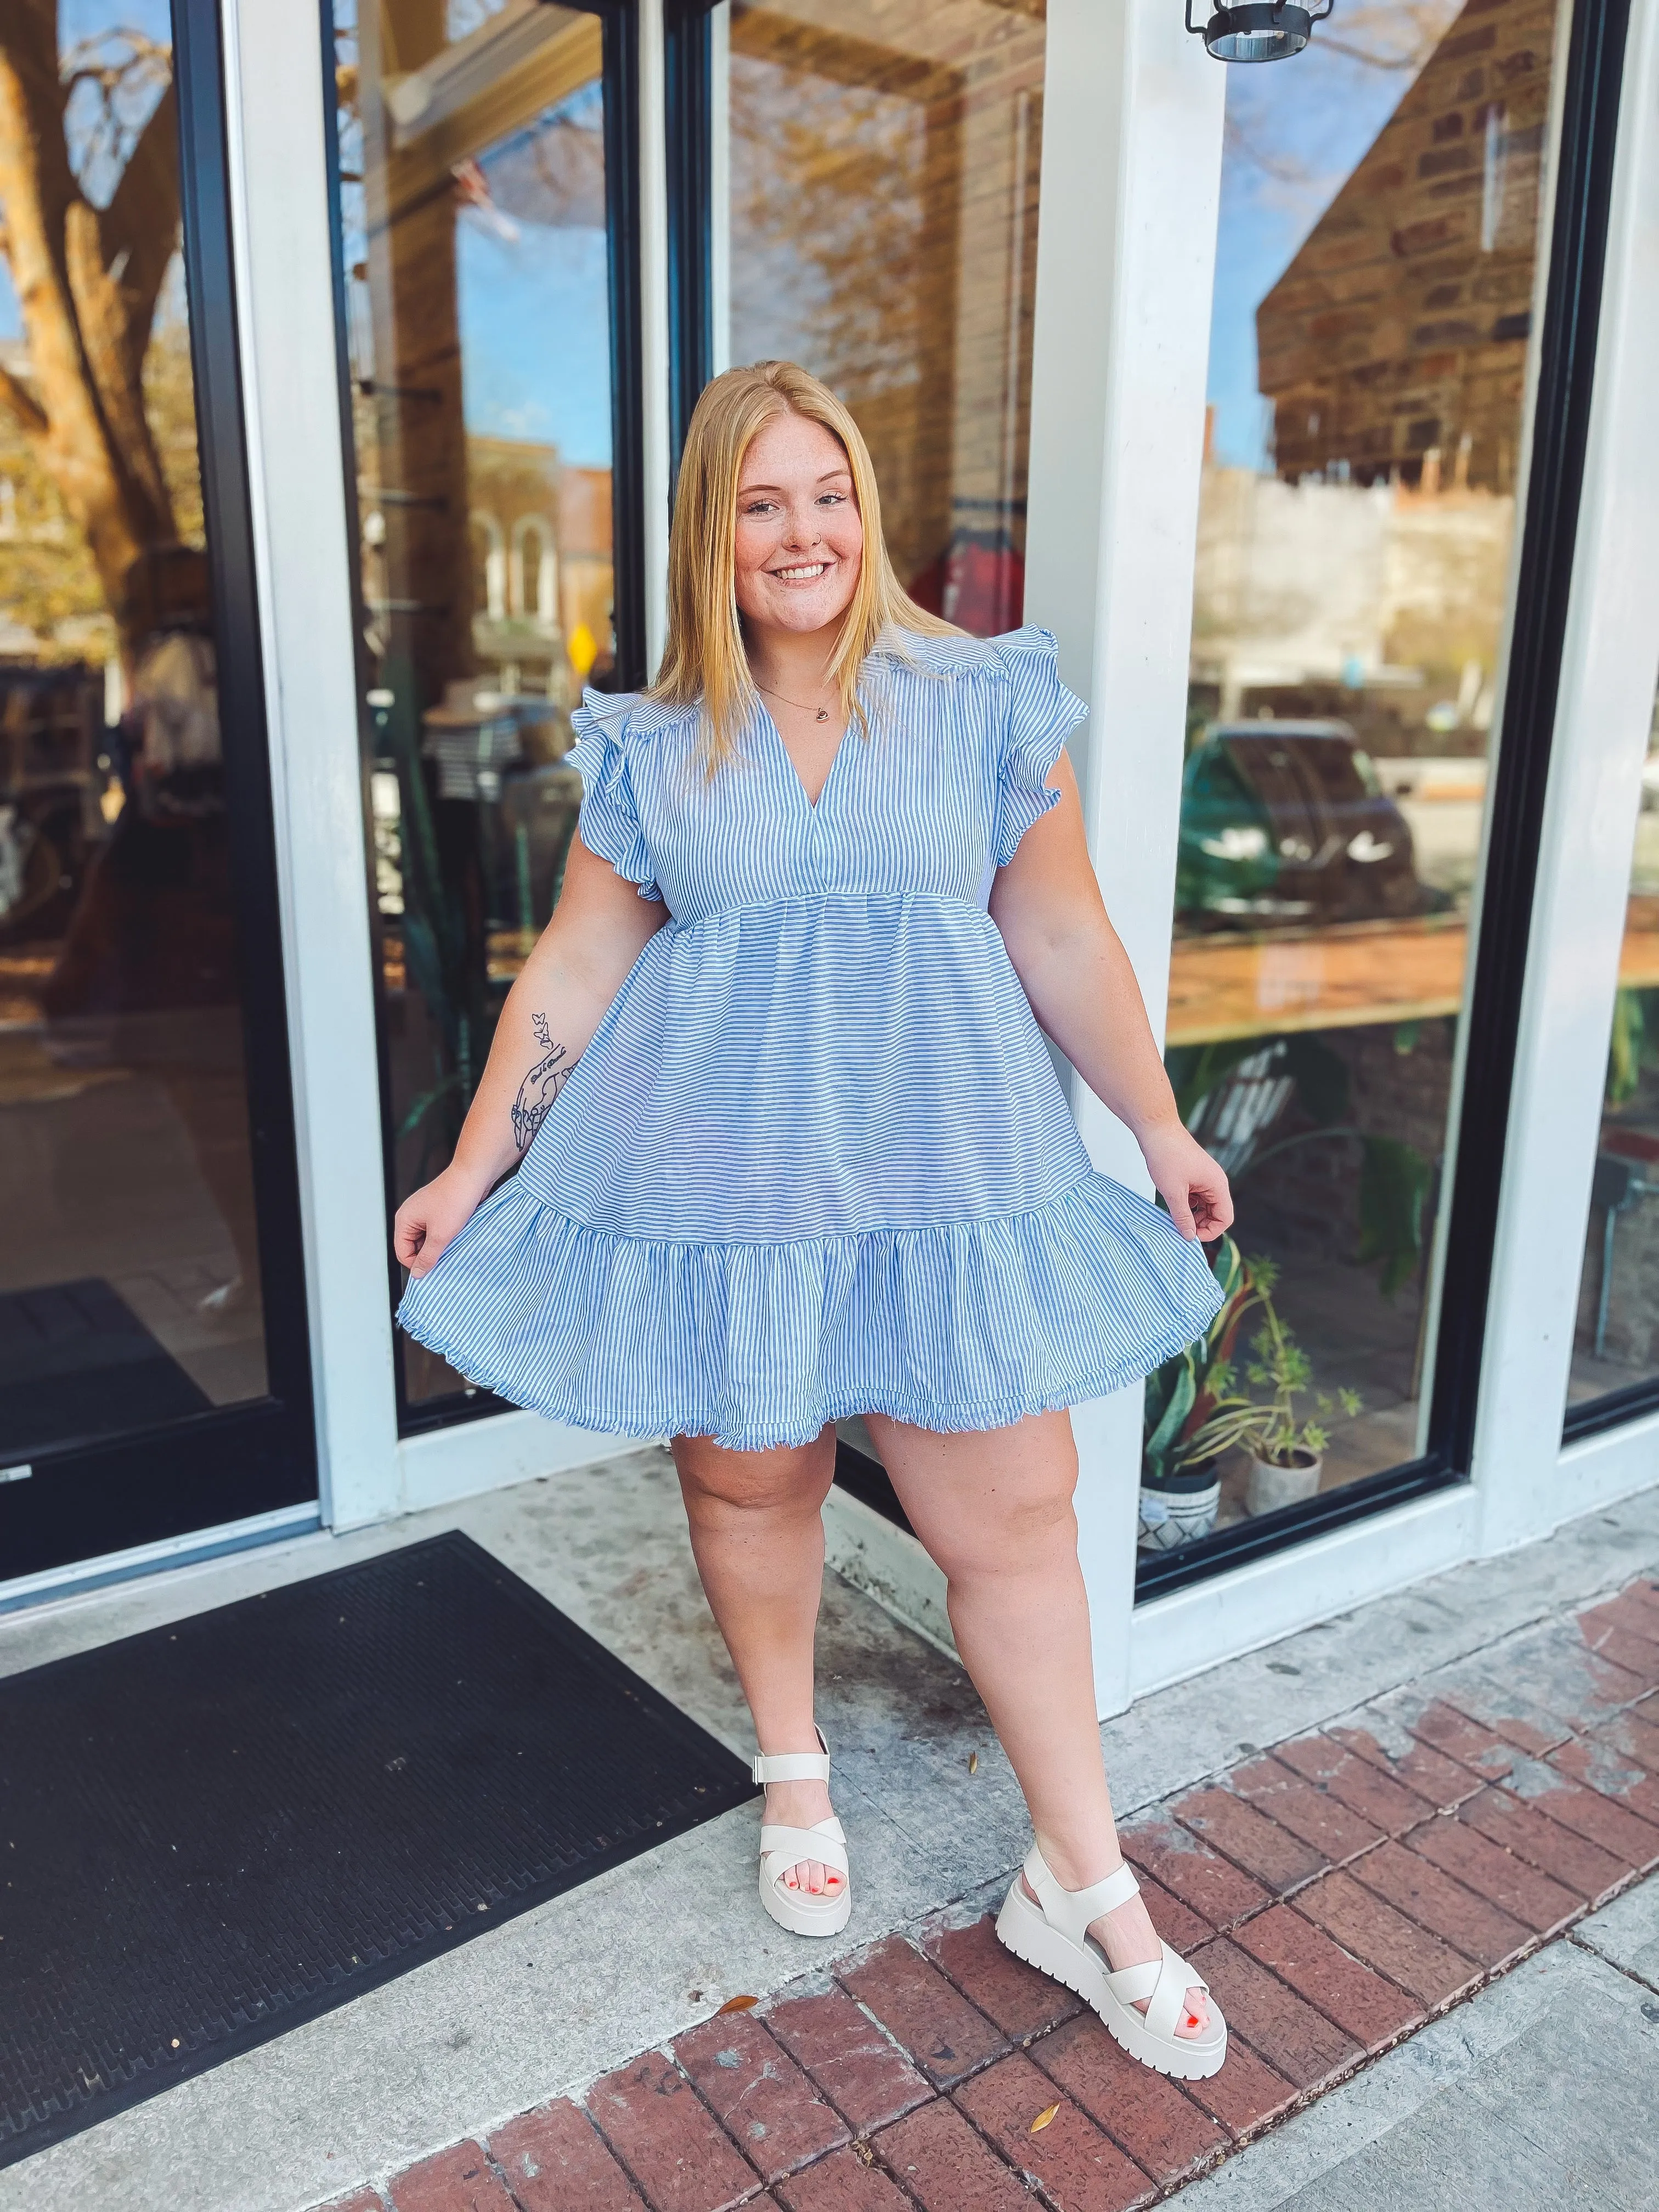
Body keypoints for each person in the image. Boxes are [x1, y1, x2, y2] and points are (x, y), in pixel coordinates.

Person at [394, 361, 1234, 2080]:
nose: (804, 533)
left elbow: (1061, 932)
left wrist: (1155, 1127)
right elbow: (577, 961)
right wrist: (476, 1165)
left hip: (951, 1181)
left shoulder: (982, 702)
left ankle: (1086, 1887)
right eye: (762, 503)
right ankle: (794, 1764)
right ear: (714, 534)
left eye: (829, 493)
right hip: (728, 1183)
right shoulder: (654, 743)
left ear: (869, 507)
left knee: (1016, 1516)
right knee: (748, 1477)